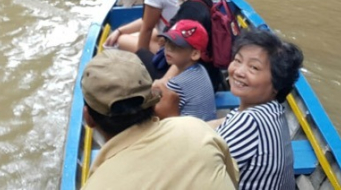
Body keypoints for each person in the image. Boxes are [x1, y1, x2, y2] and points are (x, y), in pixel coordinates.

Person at [81, 49, 239, 190]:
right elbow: (233, 180)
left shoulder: (97, 185)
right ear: (153, 103)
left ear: (88, 118)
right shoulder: (197, 129)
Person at [215, 29, 304, 190]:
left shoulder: (250, 122)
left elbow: (198, 164)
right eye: (237, 60)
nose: (239, 71)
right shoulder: (271, 111)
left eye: (254, 68)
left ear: (276, 84)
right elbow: (221, 122)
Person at [152, 0, 221, 89]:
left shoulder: (192, 10)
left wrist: (164, 81)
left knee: (140, 54)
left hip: (194, 77)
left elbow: (184, 56)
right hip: (207, 71)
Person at [154, 19, 217, 122]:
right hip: (206, 129)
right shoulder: (201, 70)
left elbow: (158, 111)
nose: (168, 49)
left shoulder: (176, 84)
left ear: (195, 54)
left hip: (189, 134)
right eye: (167, 43)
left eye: (175, 46)